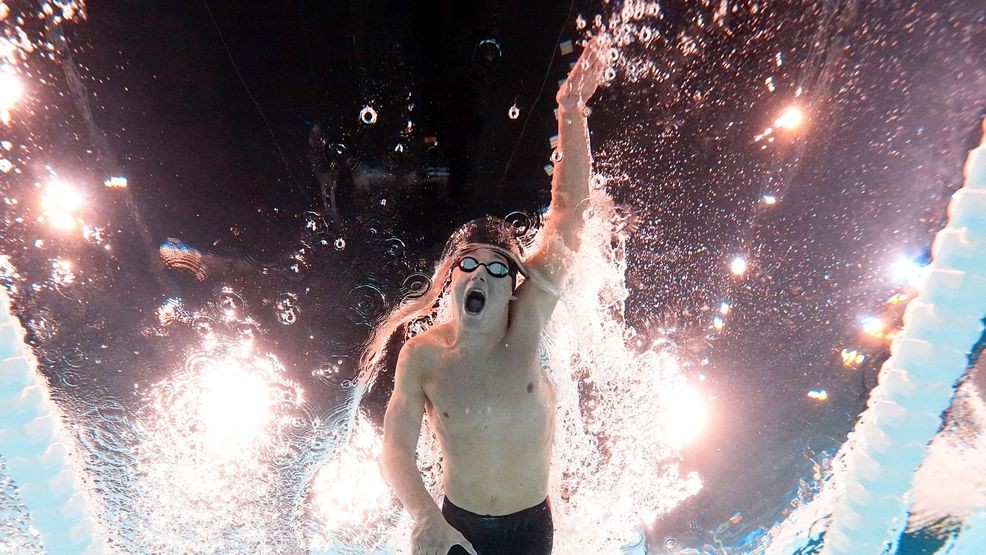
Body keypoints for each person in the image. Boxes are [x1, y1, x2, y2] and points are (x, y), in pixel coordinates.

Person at [360, 36, 608, 555]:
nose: (481, 274)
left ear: (514, 287)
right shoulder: (422, 355)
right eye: (467, 264)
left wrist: (571, 110)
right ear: (450, 279)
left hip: (529, 528)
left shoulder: (526, 322)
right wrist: (426, 518)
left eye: (498, 269)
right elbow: (397, 450)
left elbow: (569, 213)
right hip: (457, 525)